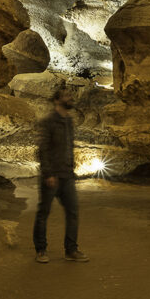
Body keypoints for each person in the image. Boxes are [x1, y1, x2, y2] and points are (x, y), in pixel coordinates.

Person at [33, 88, 89, 263]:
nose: (71, 98)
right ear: (57, 100)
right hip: (52, 175)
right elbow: (43, 149)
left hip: (67, 175)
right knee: (44, 213)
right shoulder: (48, 122)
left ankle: (71, 250)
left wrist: (72, 169)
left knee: (73, 212)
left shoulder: (69, 121)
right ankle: (41, 250)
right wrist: (48, 173)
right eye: (67, 96)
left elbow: (68, 147)